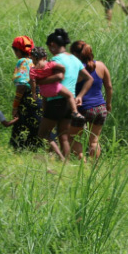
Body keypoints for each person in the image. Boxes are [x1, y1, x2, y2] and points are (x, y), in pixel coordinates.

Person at [37, 29, 93, 160]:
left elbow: (53, 81)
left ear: (53, 45)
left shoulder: (55, 60)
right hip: (70, 102)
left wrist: (40, 81)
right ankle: (65, 163)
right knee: (63, 136)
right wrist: (80, 96)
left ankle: (60, 158)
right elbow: (89, 78)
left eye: (49, 47)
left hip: (56, 100)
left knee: (43, 133)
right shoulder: (74, 59)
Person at [69, 40, 113, 160]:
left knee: (67, 137)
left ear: (74, 54)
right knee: (94, 141)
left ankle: (81, 157)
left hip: (82, 108)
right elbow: (109, 87)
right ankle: (93, 166)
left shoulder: (76, 69)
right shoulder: (101, 65)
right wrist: (108, 103)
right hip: (100, 107)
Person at [29, 46, 85, 122]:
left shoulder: (32, 71)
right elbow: (62, 67)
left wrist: (34, 93)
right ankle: (75, 112)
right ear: (45, 57)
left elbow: (33, 82)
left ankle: (45, 115)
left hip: (44, 91)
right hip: (55, 88)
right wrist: (64, 72)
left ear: (33, 58)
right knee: (70, 95)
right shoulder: (49, 64)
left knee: (44, 100)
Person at [9, 35, 44, 151]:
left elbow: (21, 86)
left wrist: (15, 106)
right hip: (40, 98)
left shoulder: (23, 62)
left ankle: (20, 153)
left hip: (28, 100)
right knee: (35, 130)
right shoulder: (37, 61)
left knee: (22, 131)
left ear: (18, 50)